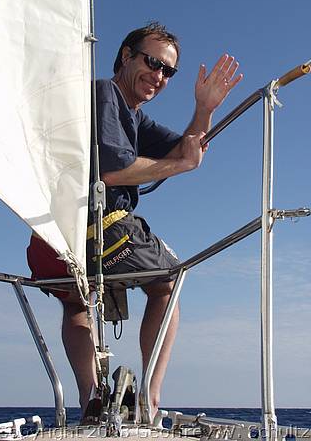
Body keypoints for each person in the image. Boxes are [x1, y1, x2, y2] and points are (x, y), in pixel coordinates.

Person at [28, 22, 243, 419]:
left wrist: (204, 109)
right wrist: (178, 164)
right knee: (170, 282)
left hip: (49, 242)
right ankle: (150, 400)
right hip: (100, 231)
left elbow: (186, 147)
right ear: (126, 55)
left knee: (77, 304)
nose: (159, 76)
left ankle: (91, 398)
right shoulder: (106, 93)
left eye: (168, 71)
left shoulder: (134, 119)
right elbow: (113, 171)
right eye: (152, 62)